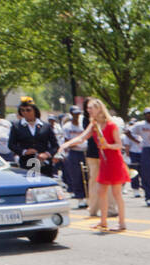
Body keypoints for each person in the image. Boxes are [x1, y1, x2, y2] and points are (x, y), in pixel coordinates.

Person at [55, 97, 129, 232]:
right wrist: (66, 144)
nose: (88, 110)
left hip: (114, 160)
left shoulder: (111, 125)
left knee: (116, 192)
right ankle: (103, 221)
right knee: (101, 191)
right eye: (88, 108)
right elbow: (82, 137)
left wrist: (107, 145)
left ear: (99, 109)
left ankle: (122, 222)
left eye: (91, 108)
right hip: (104, 161)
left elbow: (119, 144)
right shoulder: (94, 124)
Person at [7, 97, 59, 177]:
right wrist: (24, 151)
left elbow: (55, 146)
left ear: (34, 110)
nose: (25, 113)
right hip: (26, 163)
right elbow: (11, 144)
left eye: (28, 110)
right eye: (22, 110)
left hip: (44, 164)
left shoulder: (45, 126)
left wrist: (47, 154)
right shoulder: (17, 126)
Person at [59, 107, 87, 208]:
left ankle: (87, 197)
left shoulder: (83, 125)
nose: (77, 116)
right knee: (76, 175)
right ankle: (80, 198)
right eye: (75, 114)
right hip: (73, 152)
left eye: (78, 114)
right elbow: (66, 141)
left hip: (84, 152)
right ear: (71, 114)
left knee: (86, 175)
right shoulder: (67, 127)